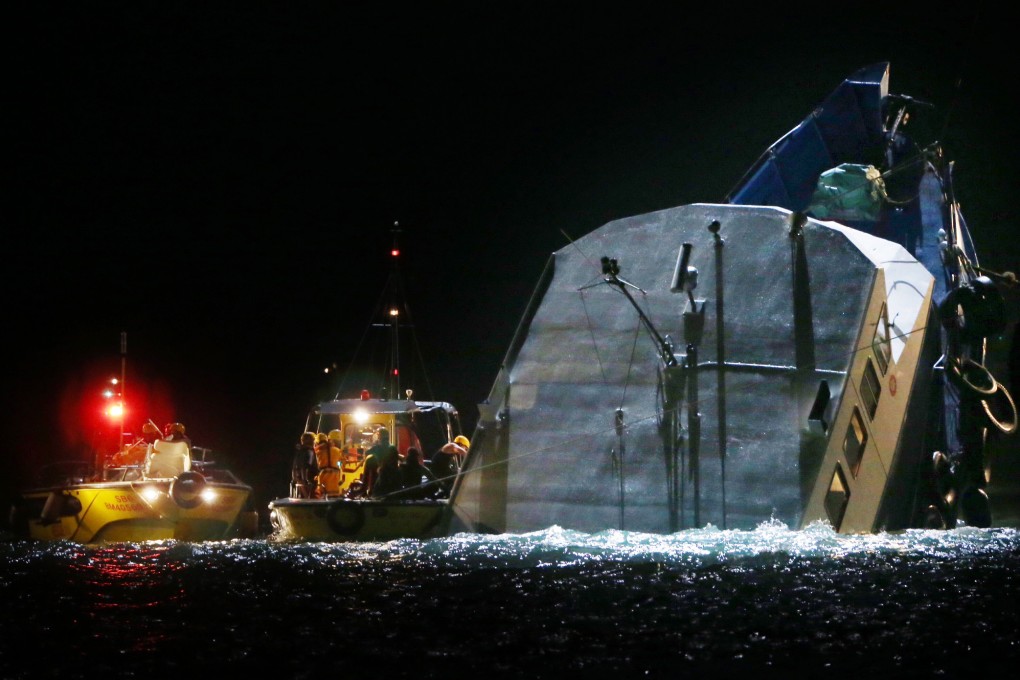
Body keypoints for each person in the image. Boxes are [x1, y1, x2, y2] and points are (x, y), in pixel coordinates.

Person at [362, 427, 399, 496]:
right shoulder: (393, 448)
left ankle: (364, 488)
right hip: (394, 480)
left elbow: (366, 453)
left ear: (380, 436)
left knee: (369, 461)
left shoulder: (377, 448)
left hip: (381, 477)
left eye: (378, 435)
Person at [291, 432, 317, 498]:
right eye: (313, 440)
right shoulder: (309, 452)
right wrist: (306, 481)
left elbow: (294, 467)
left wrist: (294, 479)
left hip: (299, 481)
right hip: (308, 481)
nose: (314, 442)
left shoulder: (299, 452)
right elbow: (306, 467)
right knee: (310, 498)